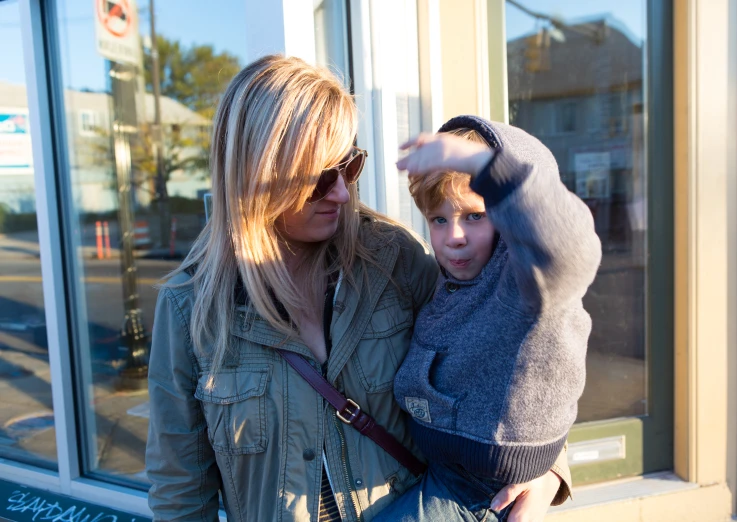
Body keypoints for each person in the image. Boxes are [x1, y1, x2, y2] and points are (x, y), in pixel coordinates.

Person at [145, 55, 570, 522]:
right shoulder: (191, 309)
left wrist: (547, 469)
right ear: (255, 176)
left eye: (348, 166)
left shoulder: (391, 259)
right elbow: (180, 491)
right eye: (321, 178)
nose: (343, 193)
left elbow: (514, 342)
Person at [375, 116, 601, 522]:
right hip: (441, 473)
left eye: (475, 216)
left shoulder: (523, 285)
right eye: (439, 220)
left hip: (479, 494)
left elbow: (567, 247)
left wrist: (486, 166)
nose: (454, 236)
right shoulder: (443, 283)